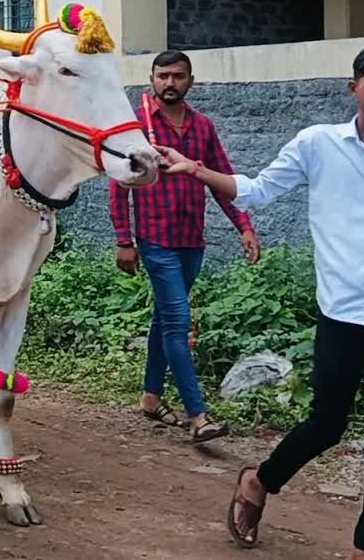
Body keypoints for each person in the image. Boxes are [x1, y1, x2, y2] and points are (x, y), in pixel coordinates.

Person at [155, 44, 364, 559]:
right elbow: (256, 190)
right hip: (343, 315)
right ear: (353, 89)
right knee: (327, 425)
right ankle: (259, 482)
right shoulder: (318, 144)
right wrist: (194, 169)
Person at [110, 50, 260, 444]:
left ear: (190, 80)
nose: (169, 83)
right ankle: (199, 415)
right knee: (177, 321)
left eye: (177, 76)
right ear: (152, 79)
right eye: (163, 76)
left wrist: (244, 226)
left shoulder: (203, 127)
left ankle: (150, 397)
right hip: (156, 240)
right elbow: (117, 187)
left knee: (164, 318)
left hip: (192, 240)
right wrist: (124, 240)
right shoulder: (138, 126)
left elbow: (221, 180)